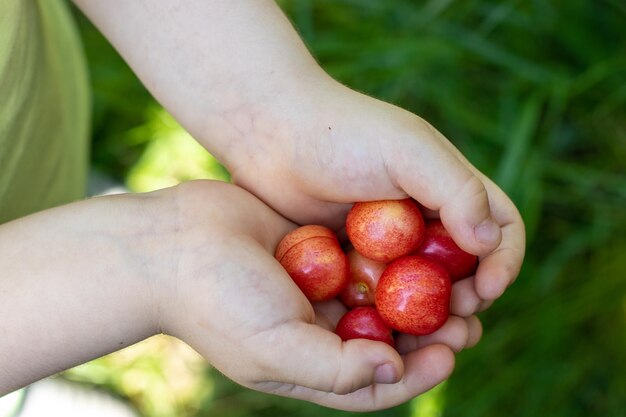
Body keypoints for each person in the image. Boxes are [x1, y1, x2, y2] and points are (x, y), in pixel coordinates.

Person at [0, 0, 525, 412]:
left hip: (30, 132)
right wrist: (149, 262)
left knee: (52, 193)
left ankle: (71, 234)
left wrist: (271, 117)